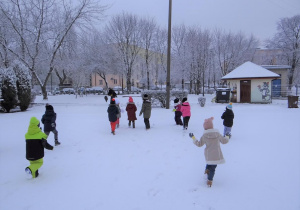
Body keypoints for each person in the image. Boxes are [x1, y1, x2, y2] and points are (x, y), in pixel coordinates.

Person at [189, 117, 229, 187]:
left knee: (209, 162)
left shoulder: (204, 136)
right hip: (217, 155)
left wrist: (193, 138)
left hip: (208, 154)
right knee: (213, 168)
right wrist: (227, 136)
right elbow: (224, 141)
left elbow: (199, 144)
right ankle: (209, 180)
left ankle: (207, 171)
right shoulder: (217, 134)